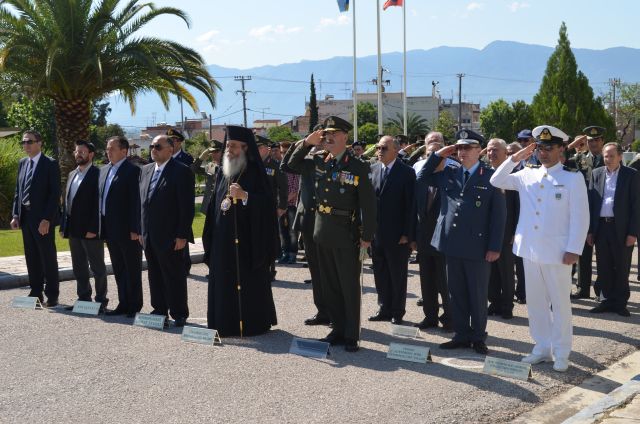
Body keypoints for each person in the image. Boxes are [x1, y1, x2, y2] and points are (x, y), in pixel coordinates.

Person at [490, 125, 589, 372]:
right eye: (540, 148)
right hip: (530, 249)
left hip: (558, 252)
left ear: (561, 149)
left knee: (560, 303)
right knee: (535, 303)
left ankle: (562, 352)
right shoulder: (527, 173)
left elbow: (580, 217)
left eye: (549, 148)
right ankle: (542, 348)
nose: (543, 153)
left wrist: (574, 248)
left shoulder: (571, 177)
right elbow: (496, 180)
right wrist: (515, 158)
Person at [286, 116, 376, 352]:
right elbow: (289, 166)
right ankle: (336, 330)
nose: (328, 138)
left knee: (348, 285)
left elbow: (368, 205)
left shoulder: (357, 166)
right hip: (321, 232)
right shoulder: (318, 161)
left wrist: (367, 236)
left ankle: (351, 334)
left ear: (345, 137)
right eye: (325, 134)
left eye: (333, 134)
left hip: (346, 233)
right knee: (330, 285)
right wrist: (306, 143)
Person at [417, 129, 505, 355]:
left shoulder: (491, 176)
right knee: (455, 292)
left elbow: (498, 216)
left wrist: (495, 247)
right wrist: (439, 156)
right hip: (451, 243)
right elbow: (422, 177)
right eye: (459, 147)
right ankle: (461, 333)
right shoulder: (449, 171)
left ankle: (477, 336)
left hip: (478, 246)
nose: (462, 151)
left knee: (477, 293)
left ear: (479, 151)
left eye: (467, 147)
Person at [202, 125, 278, 336]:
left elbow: (267, 206)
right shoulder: (222, 173)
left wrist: (246, 197)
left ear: (246, 148)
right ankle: (224, 323)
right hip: (221, 241)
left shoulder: (255, 172)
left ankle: (253, 323)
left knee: (248, 283)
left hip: (248, 242)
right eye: (227, 145)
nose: (229, 150)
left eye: (234, 146)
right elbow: (213, 206)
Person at [140, 135, 195, 327]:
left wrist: (182, 234)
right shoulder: (145, 170)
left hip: (171, 236)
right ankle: (159, 309)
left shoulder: (181, 171)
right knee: (154, 274)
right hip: (149, 235)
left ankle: (179, 312)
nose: (153, 149)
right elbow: (143, 204)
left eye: (158, 146)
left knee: (174, 275)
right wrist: (141, 231)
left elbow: (186, 207)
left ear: (170, 150)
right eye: (152, 146)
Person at [281, 138, 330, 326]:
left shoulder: (340, 163)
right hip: (309, 222)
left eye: (323, 141)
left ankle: (337, 312)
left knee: (330, 271)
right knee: (316, 271)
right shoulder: (308, 164)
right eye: (318, 141)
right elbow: (287, 164)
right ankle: (322, 311)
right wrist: (304, 143)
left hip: (329, 224)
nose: (320, 145)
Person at [587, 142, 639, 317]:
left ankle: (620, 303)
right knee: (604, 266)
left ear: (620, 156)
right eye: (605, 156)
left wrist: (633, 232)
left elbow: (636, 206)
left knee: (622, 265)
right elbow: (591, 204)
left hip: (621, 228)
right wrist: (590, 230)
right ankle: (606, 300)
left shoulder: (631, 175)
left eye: (611, 155)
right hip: (601, 226)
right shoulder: (596, 173)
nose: (607, 159)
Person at [11, 130, 61, 307]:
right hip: (25, 217)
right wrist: (15, 214)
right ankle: (35, 293)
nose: (26, 145)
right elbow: (18, 191)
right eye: (24, 142)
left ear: (40, 143)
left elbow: (55, 194)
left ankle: (52, 295)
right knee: (31, 257)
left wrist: (47, 219)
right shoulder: (23, 163)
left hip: (42, 219)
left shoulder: (50, 164)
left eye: (30, 142)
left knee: (47, 256)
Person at [369, 135, 415, 325]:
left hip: (398, 235)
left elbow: (411, 206)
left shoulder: (406, 172)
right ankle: (384, 307)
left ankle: (397, 311)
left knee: (397, 275)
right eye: (378, 148)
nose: (379, 151)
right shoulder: (372, 169)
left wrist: (408, 233)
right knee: (380, 273)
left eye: (384, 148)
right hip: (376, 233)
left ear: (396, 150)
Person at [60, 140, 107, 311]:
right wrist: (63, 226)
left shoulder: (98, 174)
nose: (78, 154)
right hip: (73, 229)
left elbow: (98, 204)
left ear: (91, 155)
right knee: (78, 266)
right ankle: (84, 299)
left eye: (82, 151)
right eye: (76, 151)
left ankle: (101, 300)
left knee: (97, 267)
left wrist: (94, 228)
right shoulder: (72, 174)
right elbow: (67, 202)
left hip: (90, 230)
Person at [100, 136, 143, 318]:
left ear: (124, 151)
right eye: (107, 149)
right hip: (110, 229)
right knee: (118, 268)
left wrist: (135, 228)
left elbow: (136, 201)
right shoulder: (104, 171)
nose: (108, 152)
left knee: (131, 268)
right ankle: (123, 303)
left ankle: (134, 305)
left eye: (112, 149)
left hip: (127, 230)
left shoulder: (132, 171)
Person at [412, 141, 451, 331]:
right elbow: (414, 210)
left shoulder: (451, 177)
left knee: (445, 283)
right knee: (426, 281)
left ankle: (450, 317)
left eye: (438, 155)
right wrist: (413, 237)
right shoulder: (421, 179)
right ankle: (430, 316)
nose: (433, 159)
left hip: (444, 241)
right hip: (424, 238)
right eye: (430, 155)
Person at [566, 126, 605, 299]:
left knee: (603, 253)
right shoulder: (580, 157)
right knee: (583, 253)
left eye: (596, 140)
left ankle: (602, 289)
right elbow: (562, 158)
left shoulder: (610, 157)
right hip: (583, 209)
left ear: (602, 141)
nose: (593, 143)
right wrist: (573, 143)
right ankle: (583, 288)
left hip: (603, 211)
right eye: (590, 140)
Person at [486, 138, 519, 319]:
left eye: (495, 150)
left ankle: (507, 305)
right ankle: (494, 302)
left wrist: (515, 231)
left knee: (506, 271)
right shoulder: (483, 173)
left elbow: (518, 206)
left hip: (507, 232)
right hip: (487, 231)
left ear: (506, 152)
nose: (491, 153)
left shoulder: (513, 174)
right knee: (490, 271)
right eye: (489, 150)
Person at [256, 135, 288, 273]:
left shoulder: (275, 165)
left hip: (270, 208)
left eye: (259, 147)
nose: (256, 150)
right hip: (255, 207)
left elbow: (283, 187)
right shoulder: (252, 165)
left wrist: (282, 206)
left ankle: (271, 269)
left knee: (270, 238)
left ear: (266, 149)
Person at [167, 128, 194, 276]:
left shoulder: (187, 159)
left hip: (180, 203)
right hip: (166, 206)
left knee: (182, 233)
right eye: (169, 140)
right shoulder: (161, 157)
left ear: (179, 142)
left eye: (173, 140)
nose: (171, 143)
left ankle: (185, 265)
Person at [191, 140, 223, 214]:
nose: (213, 154)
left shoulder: (229, 167)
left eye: (216, 152)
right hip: (209, 207)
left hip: (222, 206)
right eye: (212, 152)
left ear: (223, 152)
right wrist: (201, 157)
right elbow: (193, 169)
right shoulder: (211, 166)